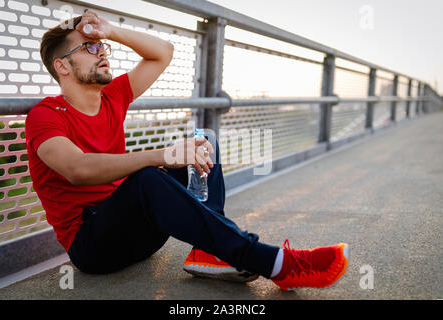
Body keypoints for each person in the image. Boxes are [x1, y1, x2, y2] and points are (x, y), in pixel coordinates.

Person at [25, 10, 349, 291]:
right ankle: (273, 262)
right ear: (62, 66)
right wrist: (163, 155)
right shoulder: (45, 116)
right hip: (94, 248)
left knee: (201, 143)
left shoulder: (113, 97)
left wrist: (111, 31)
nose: (102, 52)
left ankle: (208, 253)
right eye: (90, 47)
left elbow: (162, 52)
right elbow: (77, 169)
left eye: (102, 46)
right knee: (148, 177)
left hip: (140, 235)